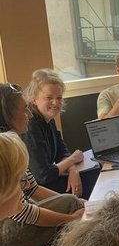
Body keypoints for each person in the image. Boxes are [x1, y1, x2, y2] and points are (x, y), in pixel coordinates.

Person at [0, 83, 84, 246]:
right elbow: (22, 211)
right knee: (71, 204)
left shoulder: (12, 143)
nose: (29, 115)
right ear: (7, 115)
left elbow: (32, 189)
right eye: (25, 110)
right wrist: (69, 217)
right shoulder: (6, 150)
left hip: (12, 223)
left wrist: (77, 204)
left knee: (74, 202)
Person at [22, 69, 99, 200]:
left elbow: (61, 151)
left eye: (59, 98)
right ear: (34, 99)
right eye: (49, 98)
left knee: (96, 171)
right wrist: (72, 160)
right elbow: (43, 175)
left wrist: (73, 170)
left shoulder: (48, 119)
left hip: (51, 178)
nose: (56, 103)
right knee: (92, 181)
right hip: (37, 190)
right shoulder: (31, 126)